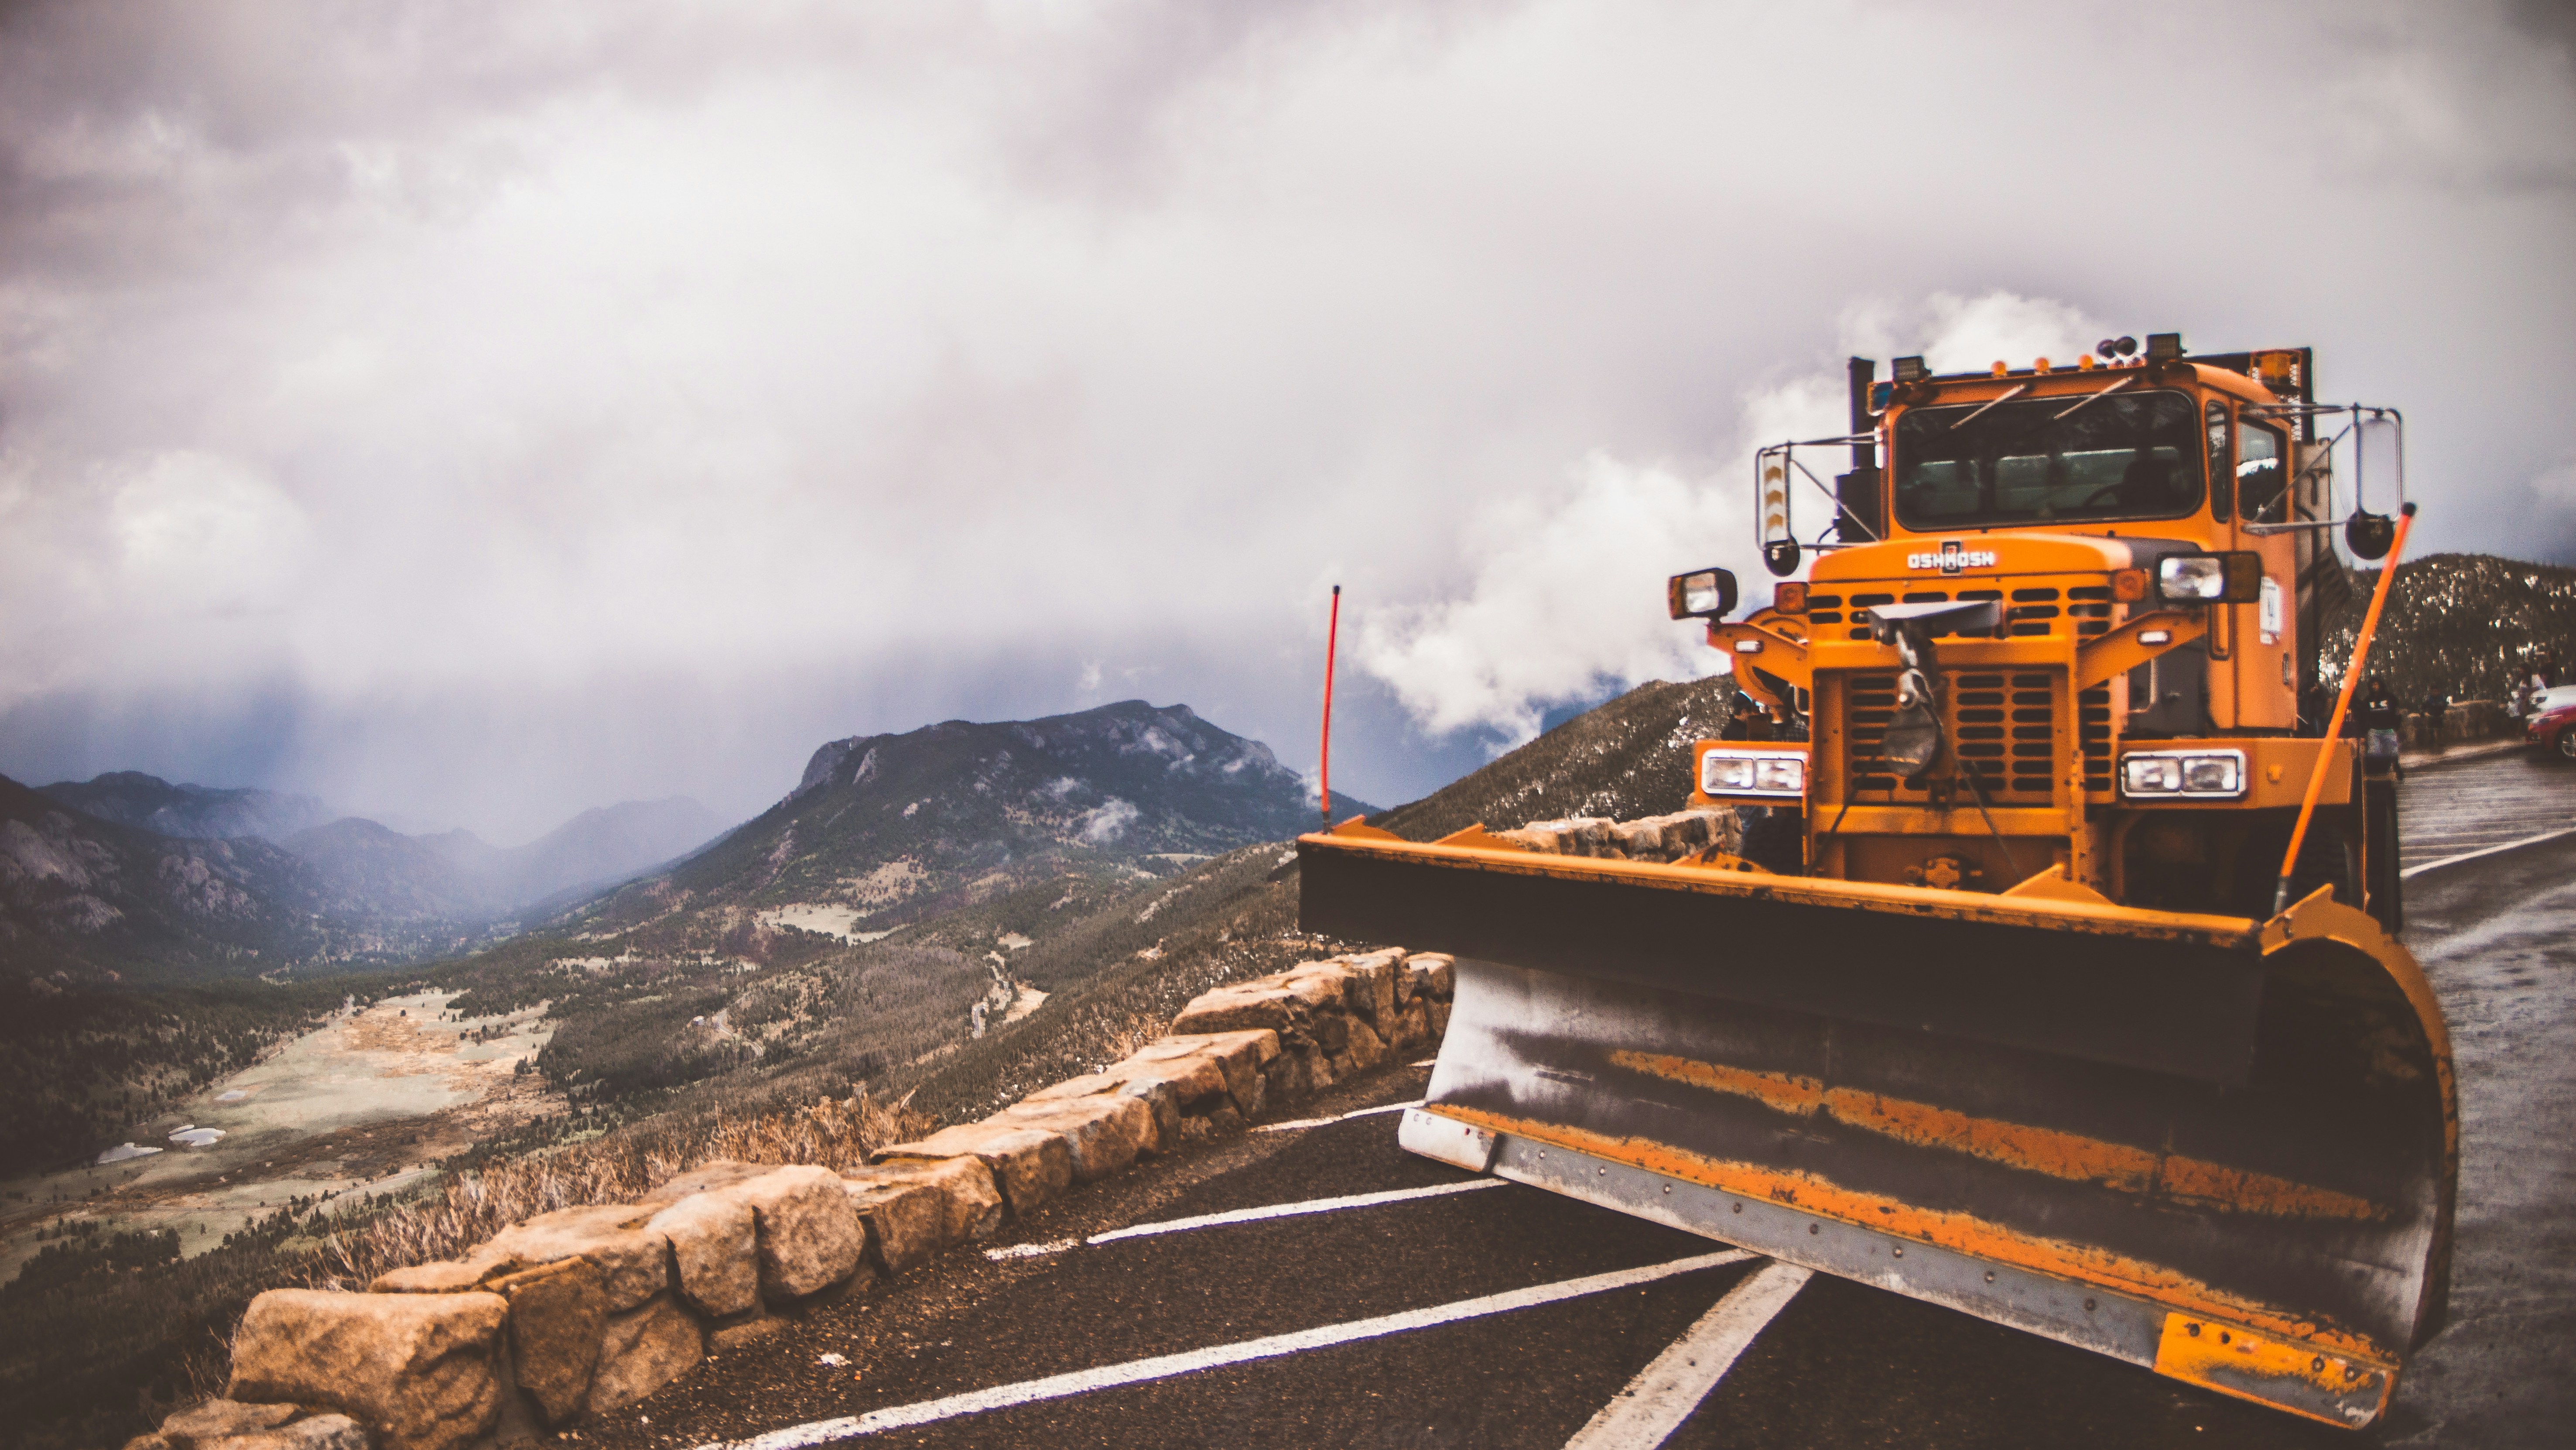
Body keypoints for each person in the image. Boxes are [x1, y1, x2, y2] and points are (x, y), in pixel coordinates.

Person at [2358, 676, 2403, 778]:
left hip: (2389, 729)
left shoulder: (2391, 698)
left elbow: (2397, 713)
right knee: (2374, 753)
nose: (2375, 687)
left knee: (2392, 751)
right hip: (2374, 730)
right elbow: (2364, 717)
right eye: (2373, 685)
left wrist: (2396, 726)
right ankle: (2376, 772)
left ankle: (2396, 768)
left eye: (2377, 684)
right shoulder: (2368, 700)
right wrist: (2365, 730)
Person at [2420, 687, 2448, 754]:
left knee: (2439, 730)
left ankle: (2439, 742)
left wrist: (2443, 707)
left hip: (2439, 716)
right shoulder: (2429, 699)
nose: (2436, 693)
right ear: (2432, 692)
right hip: (2431, 716)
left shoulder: (2442, 698)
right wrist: (2422, 713)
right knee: (2431, 730)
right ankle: (2432, 742)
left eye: (2437, 691)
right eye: (2434, 691)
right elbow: (2424, 706)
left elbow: (2445, 705)